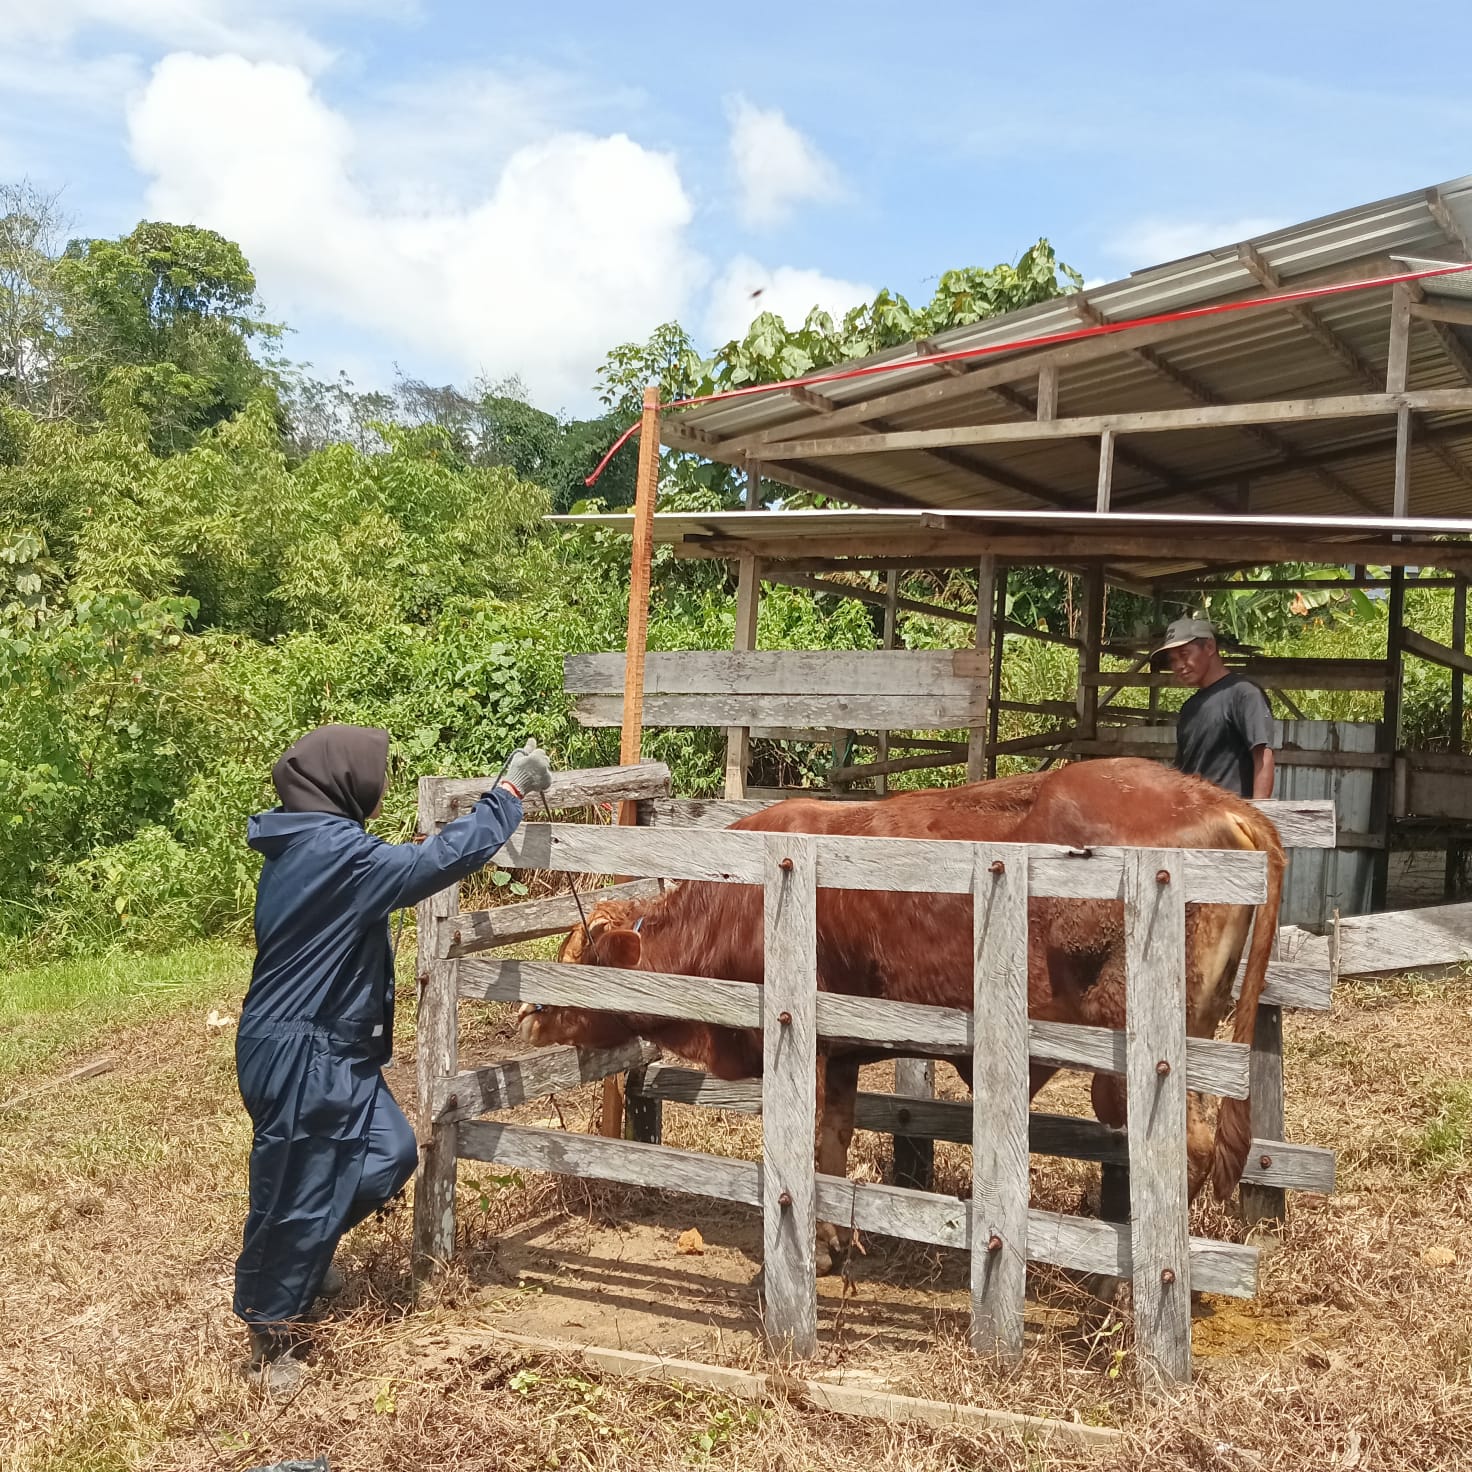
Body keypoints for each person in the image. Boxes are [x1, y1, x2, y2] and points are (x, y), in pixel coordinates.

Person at [234, 724, 552, 1390]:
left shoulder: (310, 841)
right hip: (304, 1050)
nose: (381, 785)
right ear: (343, 782)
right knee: (297, 1188)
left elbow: (383, 870)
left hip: (326, 1045)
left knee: (389, 1154)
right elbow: (428, 867)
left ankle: (303, 1251)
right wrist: (508, 792)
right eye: (374, 773)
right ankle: (270, 1337)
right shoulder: (335, 854)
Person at [1154, 616, 1276, 799]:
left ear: (1210, 647)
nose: (1178, 666)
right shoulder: (1189, 708)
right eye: (1172, 660)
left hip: (1231, 817)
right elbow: (1183, 770)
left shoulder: (1243, 693)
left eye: (1185, 654)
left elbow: (1262, 756)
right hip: (1194, 816)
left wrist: (1259, 814)